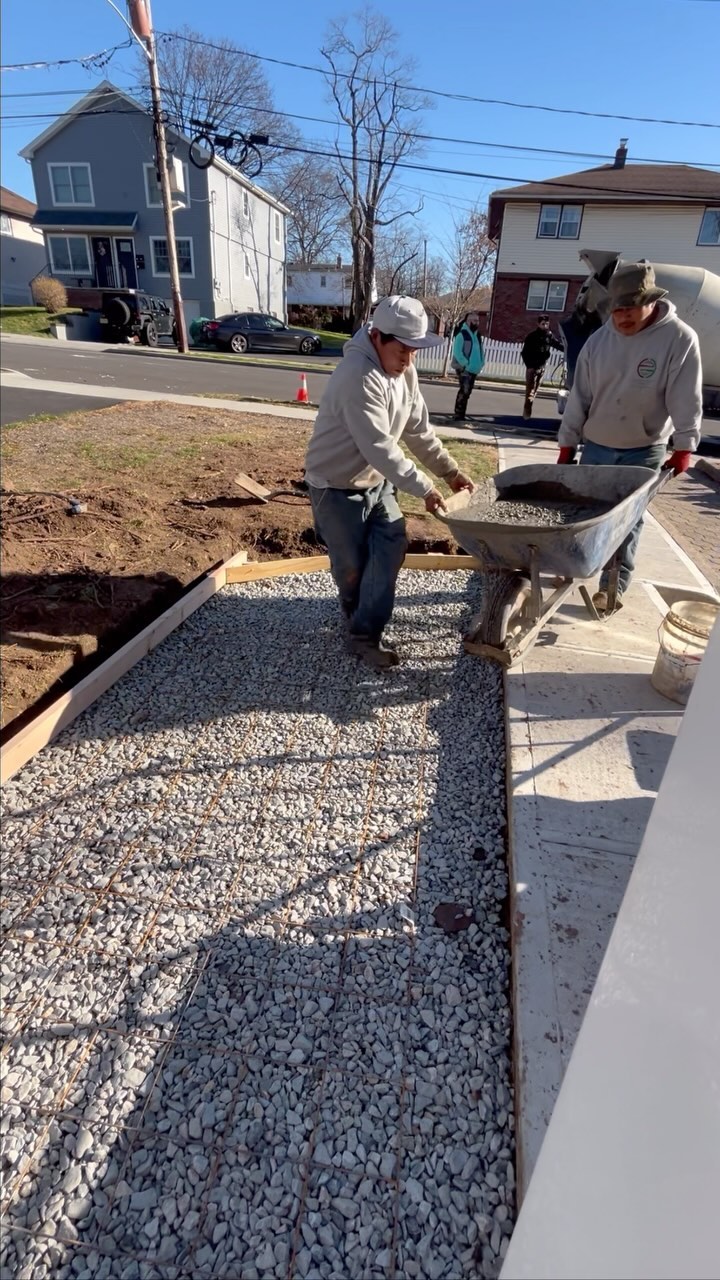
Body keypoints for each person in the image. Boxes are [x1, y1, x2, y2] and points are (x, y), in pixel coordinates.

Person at [304, 295, 475, 669]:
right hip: (335, 485)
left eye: (414, 350)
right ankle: (354, 616)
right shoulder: (357, 377)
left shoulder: (403, 371)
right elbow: (380, 447)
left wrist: (449, 471)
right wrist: (426, 488)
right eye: (403, 349)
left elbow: (417, 430)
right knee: (351, 568)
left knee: (390, 545)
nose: (409, 359)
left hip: (378, 482)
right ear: (377, 336)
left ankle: (364, 634)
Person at [557, 260, 702, 613]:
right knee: (585, 513)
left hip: (644, 449)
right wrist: (567, 442)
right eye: (617, 310)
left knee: (628, 522)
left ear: (651, 302)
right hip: (598, 445)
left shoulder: (679, 339)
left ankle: (611, 588)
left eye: (630, 309)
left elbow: (685, 397)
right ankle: (574, 569)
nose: (622, 318)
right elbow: (580, 398)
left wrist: (684, 445)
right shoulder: (598, 342)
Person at [520, 315, 564, 418]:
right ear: (538, 324)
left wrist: (567, 349)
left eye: (547, 324)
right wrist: (529, 366)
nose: (545, 326)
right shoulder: (532, 336)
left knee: (535, 391)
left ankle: (527, 409)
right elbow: (524, 353)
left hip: (542, 367)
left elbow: (557, 345)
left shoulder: (549, 335)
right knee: (530, 391)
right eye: (543, 324)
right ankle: (527, 414)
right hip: (532, 368)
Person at [451, 311, 485, 420]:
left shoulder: (477, 335)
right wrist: (465, 364)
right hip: (464, 368)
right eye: (475, 320)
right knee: (464, 390)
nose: (477, 322)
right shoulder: (462, 334)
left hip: (474, 369)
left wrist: (481, 362)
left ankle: (461, 414)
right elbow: (457, 351)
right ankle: (458, 415)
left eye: (478, 320)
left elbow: (480, 350)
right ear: (468, 321)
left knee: (468, 392)